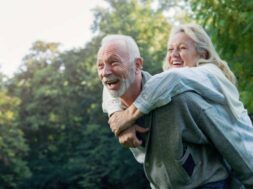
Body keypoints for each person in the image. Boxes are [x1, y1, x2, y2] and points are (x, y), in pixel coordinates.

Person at [97, 24, 253, 188]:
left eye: (182, 48)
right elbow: (112, 85)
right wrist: (116, 115)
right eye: (170, 50)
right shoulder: (162, 92)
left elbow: (234, 144)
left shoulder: (209, 74)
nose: (173, 55)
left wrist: (128, 116)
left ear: (203, 54)